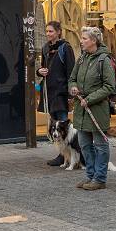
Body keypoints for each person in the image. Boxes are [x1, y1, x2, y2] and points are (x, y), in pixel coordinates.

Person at [68, 26, 116, 191]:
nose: (81, 41)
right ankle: (90, 175)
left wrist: (89, 99)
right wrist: (73, 87)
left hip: (97, 110)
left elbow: (110, 86)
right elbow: (72, 78)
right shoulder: (81, 58)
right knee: (84, 145)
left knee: (100, 145)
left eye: (84, 39)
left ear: (94, 41)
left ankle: (100, 178)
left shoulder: (104, 60)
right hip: (81, 110)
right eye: (81, 38)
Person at [39, 21, 76, 167]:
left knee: (63, 125)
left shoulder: (65, 48)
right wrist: (39, 72)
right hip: (49, 91)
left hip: (61, 91)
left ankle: (67, 154)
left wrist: (70, 93)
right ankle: (62, 154)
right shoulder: (45, 48)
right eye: (47, 31)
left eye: (51, 31)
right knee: (54, 125)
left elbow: (71, 70)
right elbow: (42, 67)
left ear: (59, 32)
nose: (48, 34)